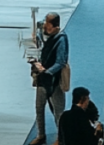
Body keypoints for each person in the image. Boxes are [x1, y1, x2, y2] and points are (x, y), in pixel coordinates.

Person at [29, 12, 70, 145]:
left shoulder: (61, 39)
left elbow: (61, 62)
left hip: (55, 81)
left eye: (48, 24)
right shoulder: (43, 33)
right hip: (42, 79)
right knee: (39, 107)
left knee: (58, 111)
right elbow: (39, 44)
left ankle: (61, 138)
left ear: (55, 26)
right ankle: (41, 135)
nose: (45, 26)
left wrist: (47, 71)